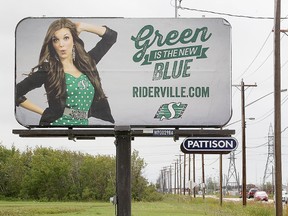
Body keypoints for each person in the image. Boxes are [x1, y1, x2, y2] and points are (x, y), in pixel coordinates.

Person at [16, 18, 117, 126]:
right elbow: (15, 92)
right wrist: (45, 113)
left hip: (83, 130)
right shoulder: (49, 70)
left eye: (66, 38)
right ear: (52, 44)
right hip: (57, 129)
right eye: (56, 40)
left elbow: (111, 37)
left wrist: (83, 26)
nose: (61, 44)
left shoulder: (88, 63)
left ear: (74, 40)